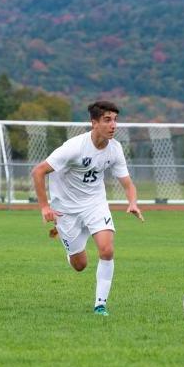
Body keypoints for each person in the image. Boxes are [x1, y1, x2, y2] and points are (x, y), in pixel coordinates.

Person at [31, 100, 144, 317]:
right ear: (94, 123)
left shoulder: (115, 149)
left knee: (107, 249)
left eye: (115, 120)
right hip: (66, 209)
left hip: (95, 204)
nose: (113, 125)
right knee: (80, 265)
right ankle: (70, 249)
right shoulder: (73, 148)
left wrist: (132, 202)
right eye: (107, 120)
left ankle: (100, 304)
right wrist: (45, 207)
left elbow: (127, 183)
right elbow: (38, 172)